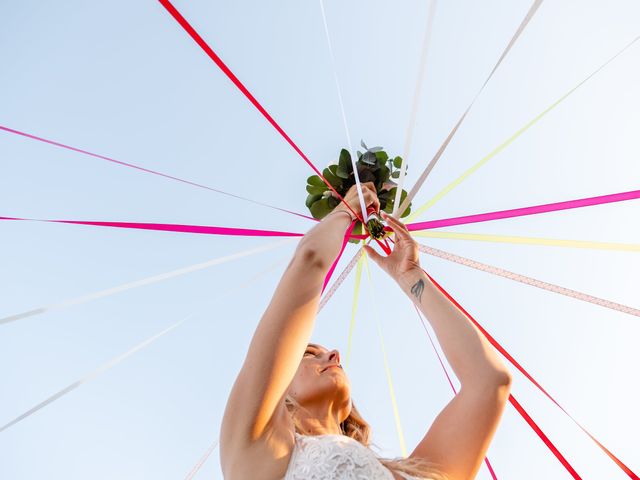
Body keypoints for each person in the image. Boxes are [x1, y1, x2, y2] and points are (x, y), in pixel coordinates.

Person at [220, 183, 512, 480]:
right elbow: (309, 261)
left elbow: (489, 381)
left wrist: (411, 277)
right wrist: (345, 211)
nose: (333, 355)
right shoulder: (255, 448)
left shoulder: (413, 472)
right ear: (279, 385)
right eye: (310, 354)